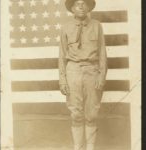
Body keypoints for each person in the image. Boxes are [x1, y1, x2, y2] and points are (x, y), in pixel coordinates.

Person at [59, 0, 107, 149]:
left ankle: (90, 147)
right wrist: (62, 80)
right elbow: (61, 56)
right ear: (72, 8)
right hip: (72, 71)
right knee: (76, 114)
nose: (80, 6)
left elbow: (102, 53)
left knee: (91, 114)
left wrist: (101, 75)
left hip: (92, 71)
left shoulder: (97, 26)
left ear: (88, 7)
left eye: (84, 3)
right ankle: (78, 147)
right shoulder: (65, 28)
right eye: (77, 4)